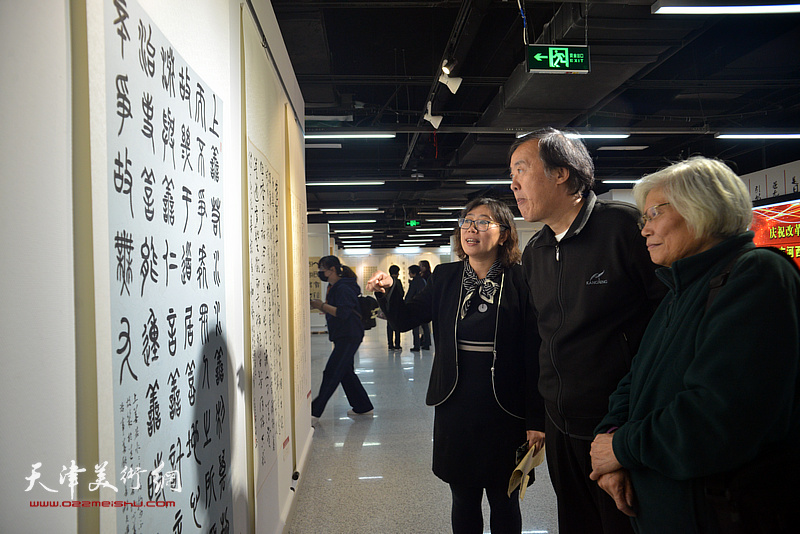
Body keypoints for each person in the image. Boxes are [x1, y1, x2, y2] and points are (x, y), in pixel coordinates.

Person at [589, 156, 800, 533]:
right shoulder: (680, 287)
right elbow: (634, 381)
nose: (644, 230)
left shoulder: (756, 275)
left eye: (653, 214)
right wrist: (609, 440)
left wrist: (622, 448)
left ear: (700, 207)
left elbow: (716, 419)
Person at [509, 127, 665, 534]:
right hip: (561, 428)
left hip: (618, 426)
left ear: (561, 172)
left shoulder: (623, 229)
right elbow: (540, 338)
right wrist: (538, 416)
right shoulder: (537, 251)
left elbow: (668, 322)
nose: (513, 184)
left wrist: (630, 423)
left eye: (521, 169)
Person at [367, 197, 545, 534]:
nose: (471, 228)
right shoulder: (445, 276)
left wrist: (537, 418)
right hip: (455, 402)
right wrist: (389, 290)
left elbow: (536, 350)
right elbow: (403, 320)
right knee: (462, 497)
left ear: (504, 233)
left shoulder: (521, 279)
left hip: (506, 406)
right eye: (467, 221)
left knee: (504, 496)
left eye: (483, 221)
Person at [310, 255, 374, 423]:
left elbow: (343, 313)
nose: (320, 273)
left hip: (349, 334)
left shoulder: (343, 288)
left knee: (332, 371)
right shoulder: (336, 287)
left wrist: (320, 306)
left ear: (332, 270)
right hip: (343, 334)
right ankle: (363, 407)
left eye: (322, 269)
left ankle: (314, 412)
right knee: (345, 372)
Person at [405, 264, 426, 352]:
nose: (409, 274)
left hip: (416, 305)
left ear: (413, 273)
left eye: (409, 272)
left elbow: (410, 294)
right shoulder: (423, 280)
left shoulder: (414, 282)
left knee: (415, 327)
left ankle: (416, 345)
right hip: (424, 304)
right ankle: (427, 343)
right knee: (425, 326)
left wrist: (405, 303)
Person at [386, 265, 404, 350]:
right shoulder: (398, 282)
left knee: (389, 325)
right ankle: (397, 344)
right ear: (397, 273)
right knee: (397, 325)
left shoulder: (386, 282)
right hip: (397, 307)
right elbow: (401, 293)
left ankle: (390, 344)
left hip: (388, 307)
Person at [418, 260, 433, 349]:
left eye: (421, 266)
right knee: (425, 325)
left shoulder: (426, 277)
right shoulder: (427, 276)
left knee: (425, 325)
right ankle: (425, 341)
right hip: (428, 302)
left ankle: (425, 341)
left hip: (426, 302)